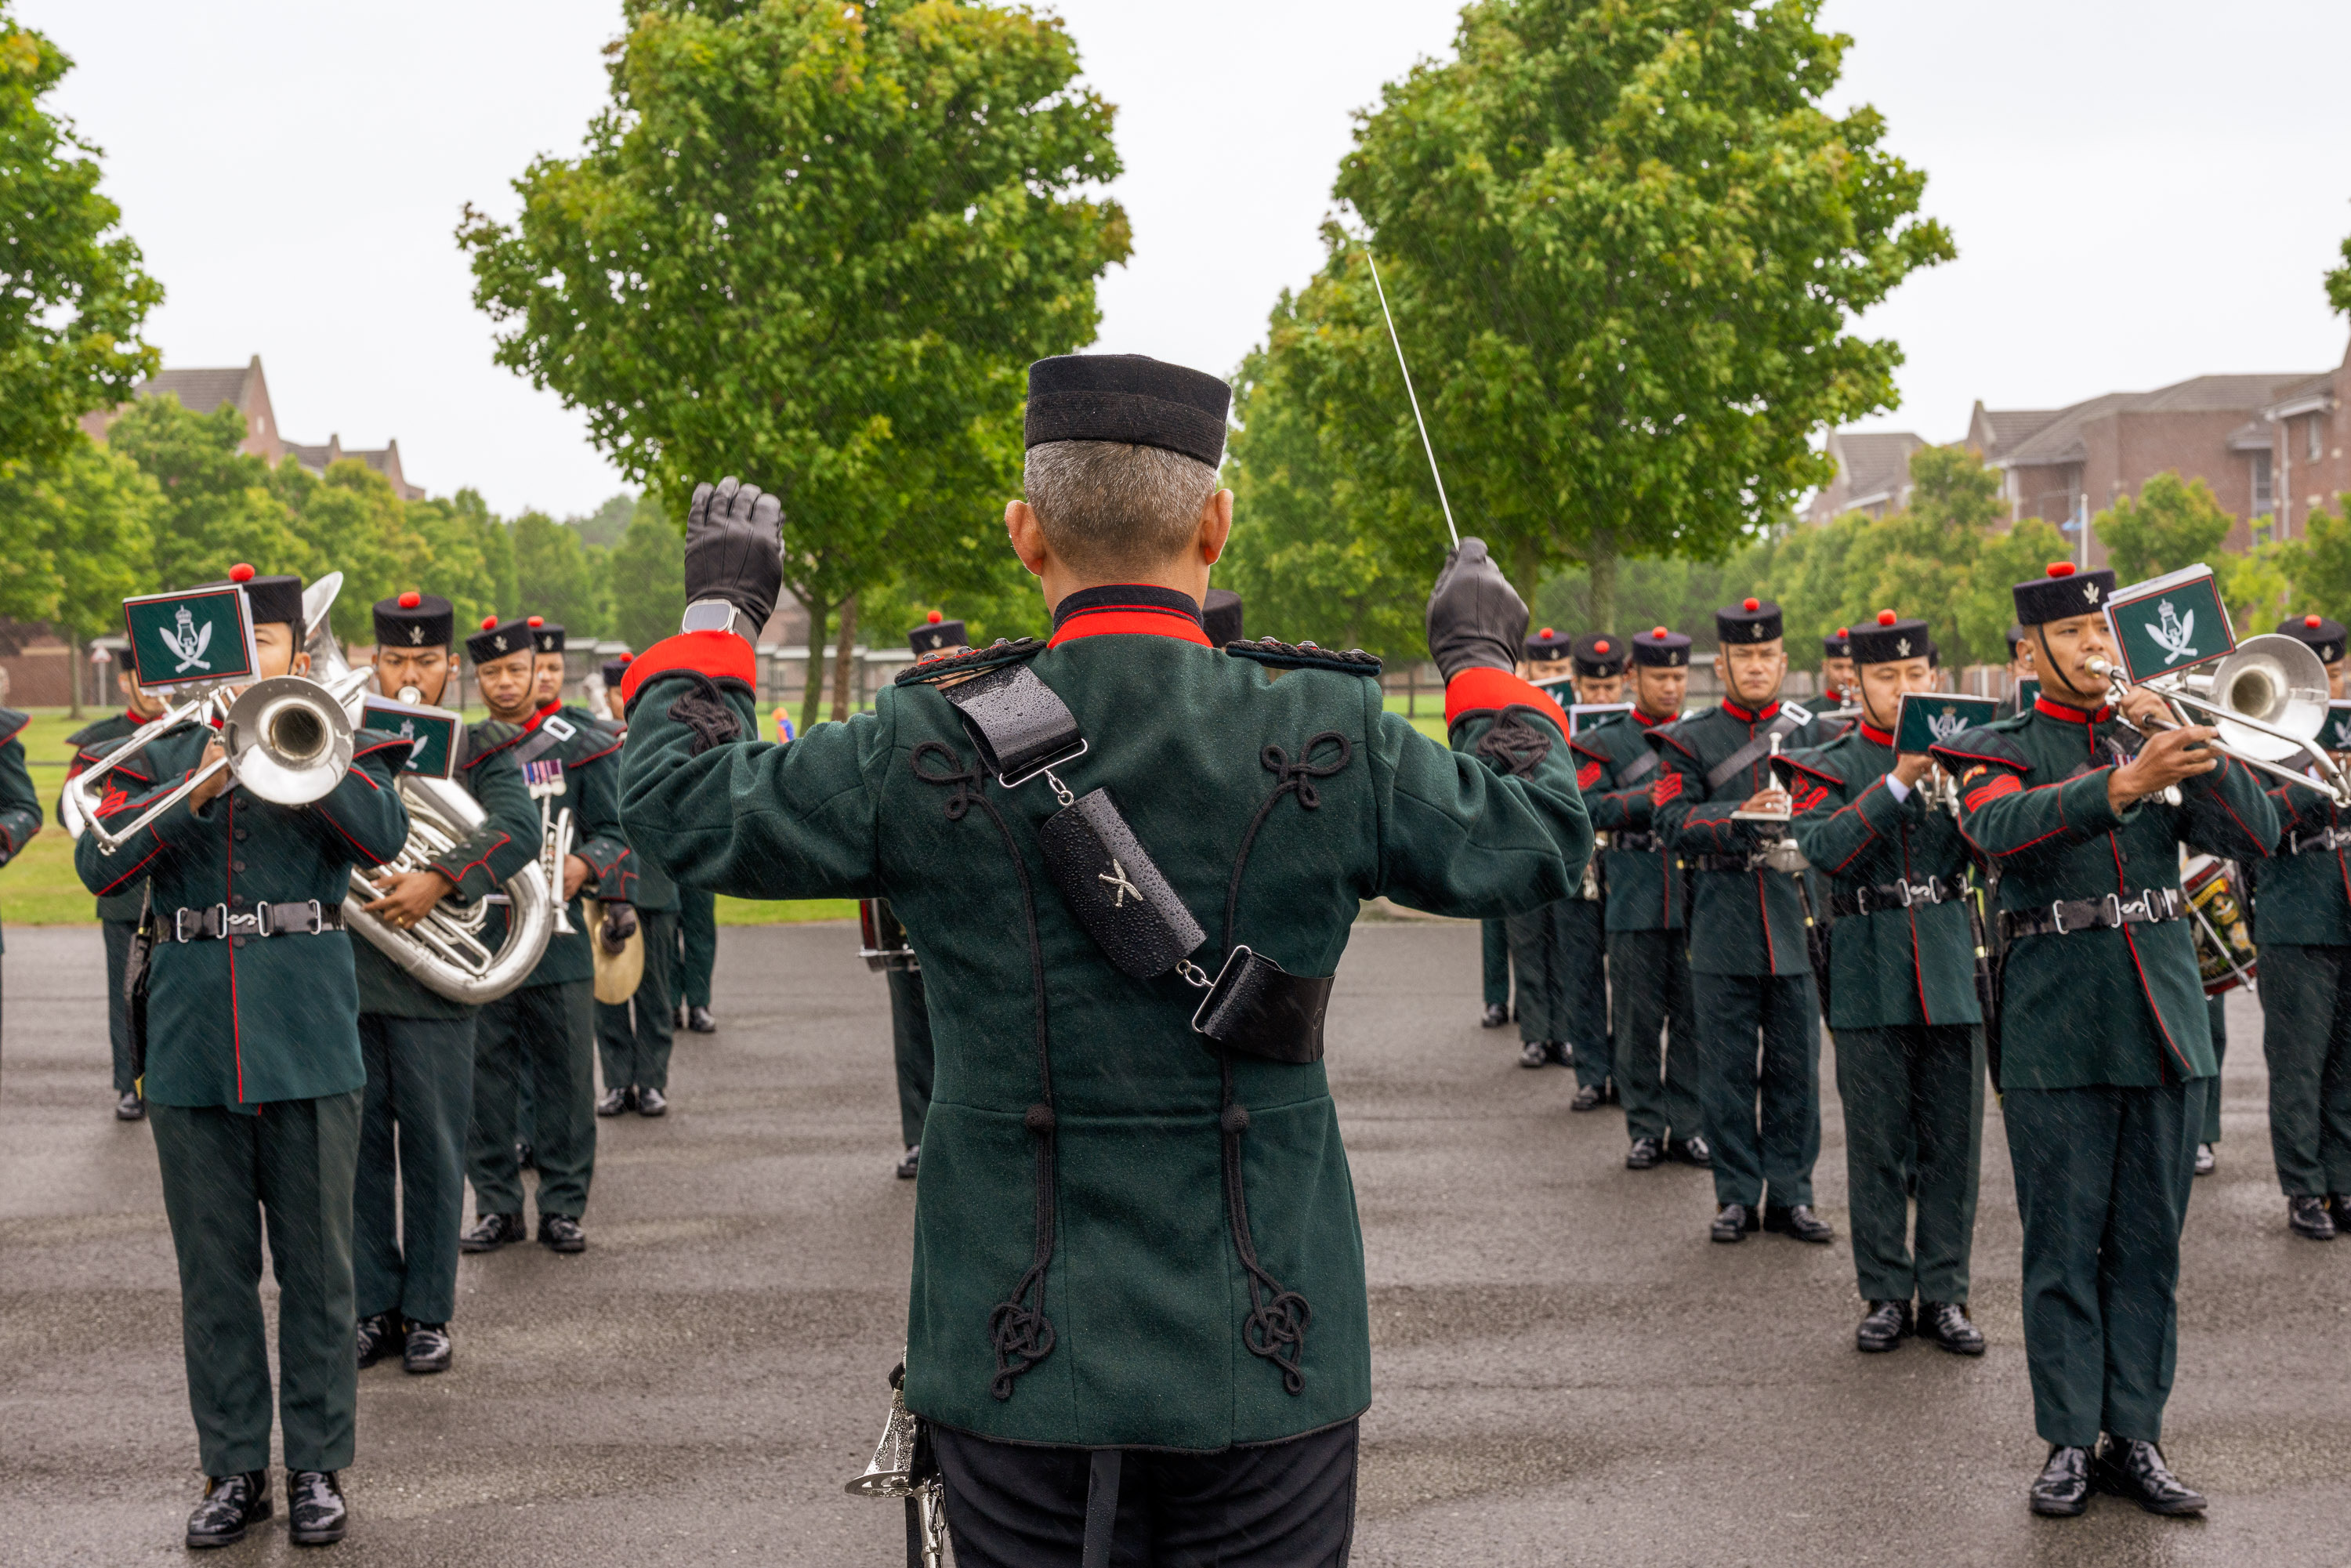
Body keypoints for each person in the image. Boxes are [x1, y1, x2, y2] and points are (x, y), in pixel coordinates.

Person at [612, 353, 1589, 1566]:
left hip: (1017, 1351)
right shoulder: (1322, 726)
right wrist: (1483, 660)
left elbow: (675, 803)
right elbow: (1538, 835)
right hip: (1265, 1345)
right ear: (1216, 525)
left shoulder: (929, 731)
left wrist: (719, 616)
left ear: (1027, 535)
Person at [1929, 559, 2276, 1518]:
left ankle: (2138, 1435)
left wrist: (2185, 735)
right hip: (2054, 1026)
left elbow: (2258, 834)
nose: (2094, 650)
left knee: (2148, 1246)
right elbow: (1998, 829)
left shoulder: (2153, 728)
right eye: (2075, 636)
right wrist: (2122, 784)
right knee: (2062, 1246)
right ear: (2031, 647)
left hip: (2161, 1017)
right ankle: (2069, 1441)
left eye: (2104, 634)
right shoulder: (1998, 743)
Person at [75, 565, 411, 1549]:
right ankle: (233, 1470)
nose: (248, 662)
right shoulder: (157, 754)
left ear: (296, 655)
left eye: (265, 644)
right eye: (233, 645)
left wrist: (298, 750)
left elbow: (384, 836)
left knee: (318, 1273)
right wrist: (203, 776)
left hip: (306, 1034)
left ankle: (316, 1469)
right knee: (214, 1277)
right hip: (186, 1042)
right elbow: (102, 865)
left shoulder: (339, 737)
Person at [347, 591, 541, 1378]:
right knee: (357, 1159)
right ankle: (373, 1307)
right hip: (353, 979)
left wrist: (441, 876)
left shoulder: (481, 743)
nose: (410, 676)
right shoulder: (341, 735)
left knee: (433, 1151)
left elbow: (518, 829)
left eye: (426, 662)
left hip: (435, 982)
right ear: (374, 662)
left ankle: (429, 1311)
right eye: (396, 660)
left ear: (449, 668)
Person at [1784, 611, 1986, 1355]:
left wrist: (1960, 785)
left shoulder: (1970, 756)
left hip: (1948, 965)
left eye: (1915, 675)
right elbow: (1828, 848)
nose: (1904, 689)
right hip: (1868, 965)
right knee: (1876, 1144)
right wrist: (1899, 779)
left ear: (1934, 678)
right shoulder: (1825, 762)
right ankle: (1885, 1292)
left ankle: (1946, 1292)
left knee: (1951, 1145)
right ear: (1855, 682)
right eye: (1885, 677)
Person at [1653, 596, 1838, 1245]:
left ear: (1783, 661)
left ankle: (1791, 1193)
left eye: (1766, 656)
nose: (1756, 666)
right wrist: (1736, 816)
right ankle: (1735, 1193)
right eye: (1743, 656)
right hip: (1723, 922)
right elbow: (1670, 822)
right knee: (1727, 1070)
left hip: (1795, 921)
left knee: (1796, 1068)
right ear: (1722, 663)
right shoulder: (1689, 739)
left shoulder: (1818, 734)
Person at [458, 615, 634, 1257]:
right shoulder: (464, 749)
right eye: (491, 673)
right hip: (481, 936)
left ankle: (562, 1204)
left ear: (540, 672)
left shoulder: (582, 743)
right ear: (476, 679)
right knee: (485, 1081)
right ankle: (497, 1204)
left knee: (564, 1081)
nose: (505, 683)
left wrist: (586, 866)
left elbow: (616, 831)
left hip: (558, 941)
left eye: (516, 670)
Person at [1575, 626, 1707, 1168]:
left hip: (1696, 896)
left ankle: (1688, 1125)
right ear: (1634, 677)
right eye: (1661, 677)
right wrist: (1648, 798)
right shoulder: (1604, 742)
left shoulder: (1702, 737)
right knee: (1636, 1020)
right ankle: (1645, 1126)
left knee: (1693, 1019)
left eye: (1679, 676)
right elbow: (1587, 805)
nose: (1672, 687)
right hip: (1635, 892)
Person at [2250, 612, 2351, 1240]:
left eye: (2337, 671)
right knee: (2298, 1063)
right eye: (2319, 673)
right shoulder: (2258, 735)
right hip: (2295, 912)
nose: (2331, 683)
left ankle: (2343, 1179)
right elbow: (2254, 824)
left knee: (2347, 1061)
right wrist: (2317, 778)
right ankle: (2304, 1187)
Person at [64, 654, 167, 1119]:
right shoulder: (98, 739)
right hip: (125, 892)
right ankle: (130, 1083)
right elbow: (73, 807)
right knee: (126, 993)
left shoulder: (193, 729)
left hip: (177, 882)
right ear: (125, 682)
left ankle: (170, 1080)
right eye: (140, 679)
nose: (150, 689)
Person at [1501, 625, 1602, 1073]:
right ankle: (1536, 1034)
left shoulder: (1585, 719)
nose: (1554, 675)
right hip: (1523, 836)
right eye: (1546, 669)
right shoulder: (1507, 707)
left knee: (1566, 942)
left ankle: (1563, 1033)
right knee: (1528, 939)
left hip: (1565, 838)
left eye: (1561, 669)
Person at [594, 657, 681, 1117]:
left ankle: (651, 1082)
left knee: (654, 992)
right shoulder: (594, 745)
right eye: (619, 693)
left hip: (652, 885)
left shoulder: (665, 745)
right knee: (607, 994)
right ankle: (615, 1082)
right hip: (606, 885)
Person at [1552, 632, 1626, 1107]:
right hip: (1579, 862)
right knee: (1581, 972)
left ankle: (1627, 1070)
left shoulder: (1645, 733)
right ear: (1577, 686)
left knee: (1629, 977)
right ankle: (1591, 1073)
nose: (1602, 696)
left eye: (1611, 687)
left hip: (1628, 864)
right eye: (1593, 689)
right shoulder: (1557, 730)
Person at [1820, 628, 1856, 711]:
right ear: (1825, 667)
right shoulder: (1810, 710)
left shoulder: (1871, 711)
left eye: (1852, 667)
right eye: (1838, 667)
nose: (1846, 675)